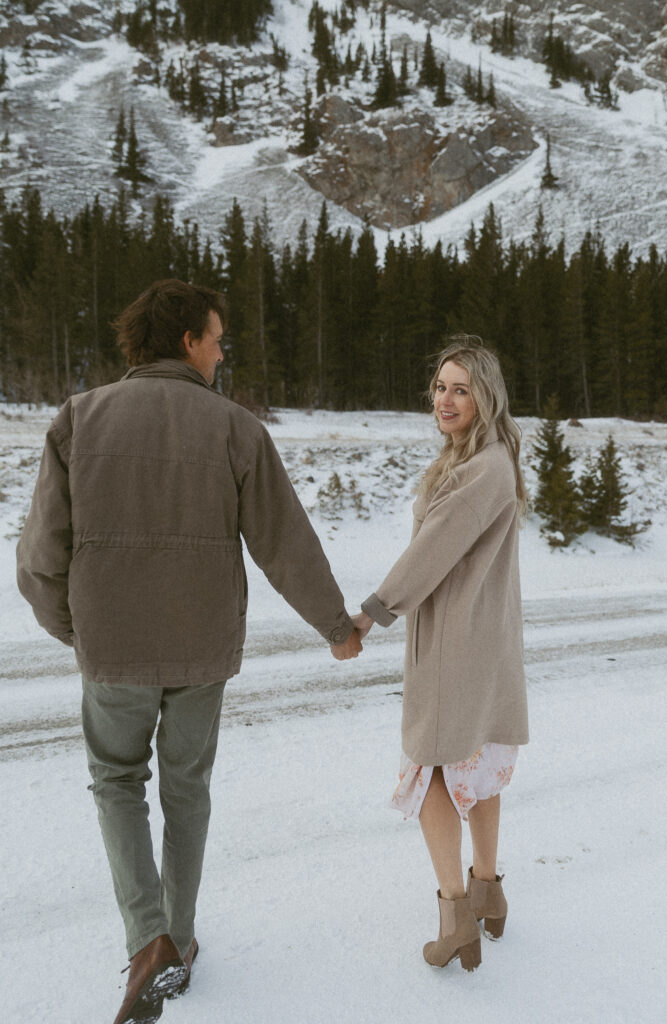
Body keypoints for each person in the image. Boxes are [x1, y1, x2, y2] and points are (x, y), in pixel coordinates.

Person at [16, 279, 362, 1024]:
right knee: (186, 789)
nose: (221, 351)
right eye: (216, 338)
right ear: (185, 341)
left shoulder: (79, 419)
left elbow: (40, 552)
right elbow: (284, 543)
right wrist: (336, 625)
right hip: (201, 649)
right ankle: (179, 937)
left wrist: (76, 628)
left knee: (116, 781)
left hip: (113, 647)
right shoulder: (235, 429)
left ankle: (148, 940)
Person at [352, 338, 528, 972]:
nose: (446, 400)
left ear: (486, 397)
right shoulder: (491, 459)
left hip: (457, 644)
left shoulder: (480, 468)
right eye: (439, 387)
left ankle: (457, 916)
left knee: (430, 769)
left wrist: (371, 612)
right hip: (482, 638)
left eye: (461, 389)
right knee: (476, 766)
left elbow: (431, 555)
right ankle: (489, 891)